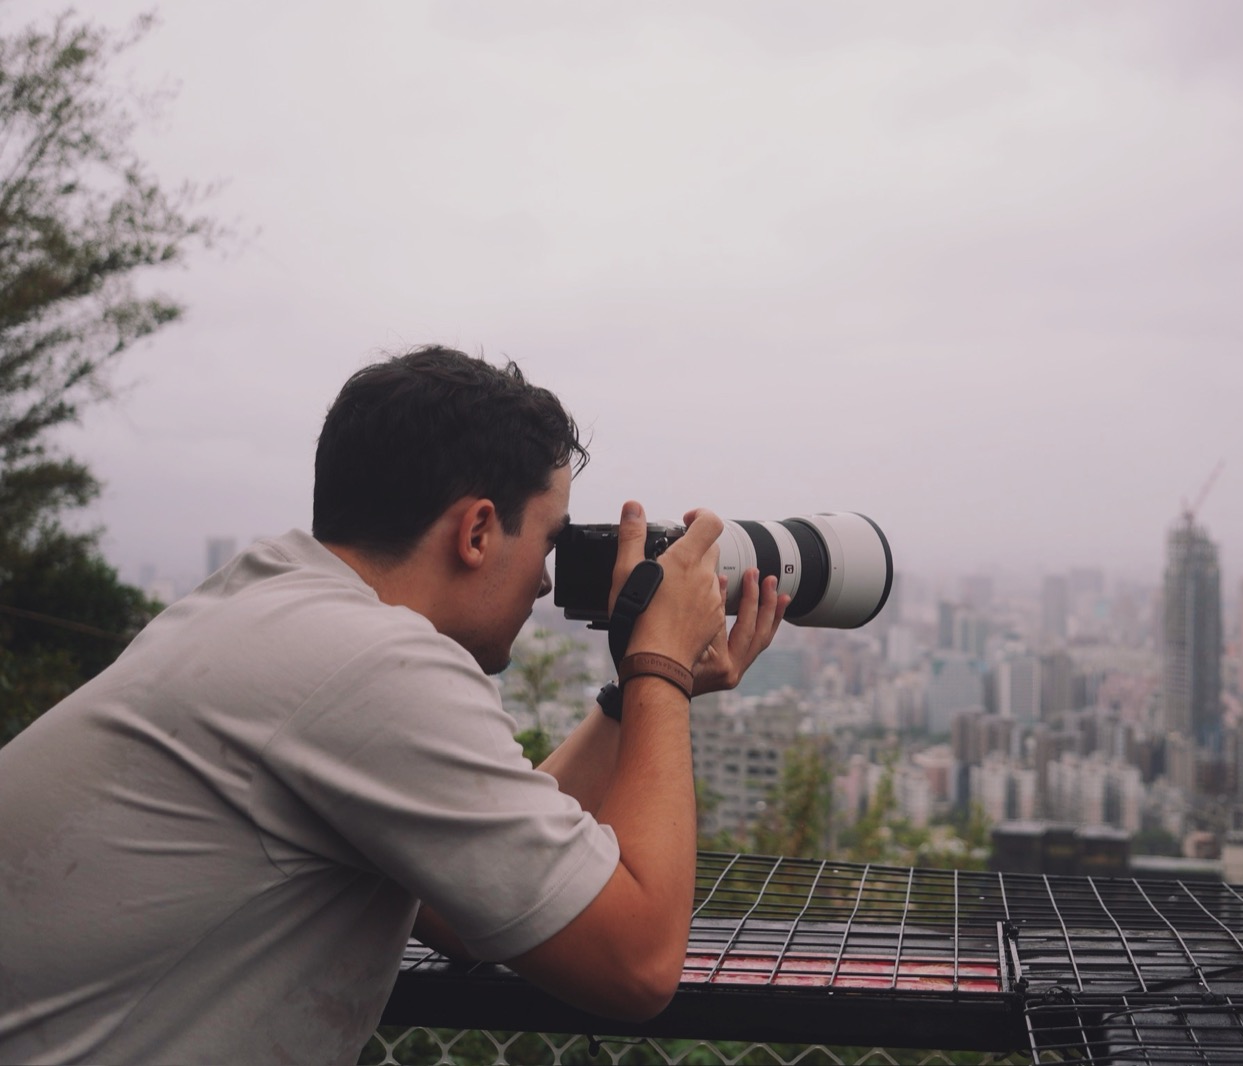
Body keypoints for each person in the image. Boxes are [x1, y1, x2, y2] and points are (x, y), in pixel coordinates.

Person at [0, 347, 788, 1064]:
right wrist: (660, 670)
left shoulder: (266, 602)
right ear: (478, 530)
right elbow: (637, 963)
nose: (547, 583)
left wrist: (629, 699)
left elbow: (473, 898)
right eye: (545, 544)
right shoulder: (371, 665)